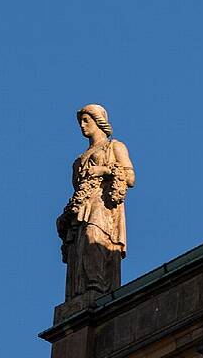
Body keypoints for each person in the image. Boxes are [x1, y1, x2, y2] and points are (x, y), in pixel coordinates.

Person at [57, 104, 137, 301]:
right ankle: (81, 292)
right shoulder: (78, 161)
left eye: (86, 120)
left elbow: (130, 177)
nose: (82, 126)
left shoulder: (115, 146)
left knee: (94, 235)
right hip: (82, 206)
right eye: (80, 122)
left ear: (98, 121)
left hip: (102, 203)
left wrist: (104, 170)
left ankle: (97, 285)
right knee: (80, 244)